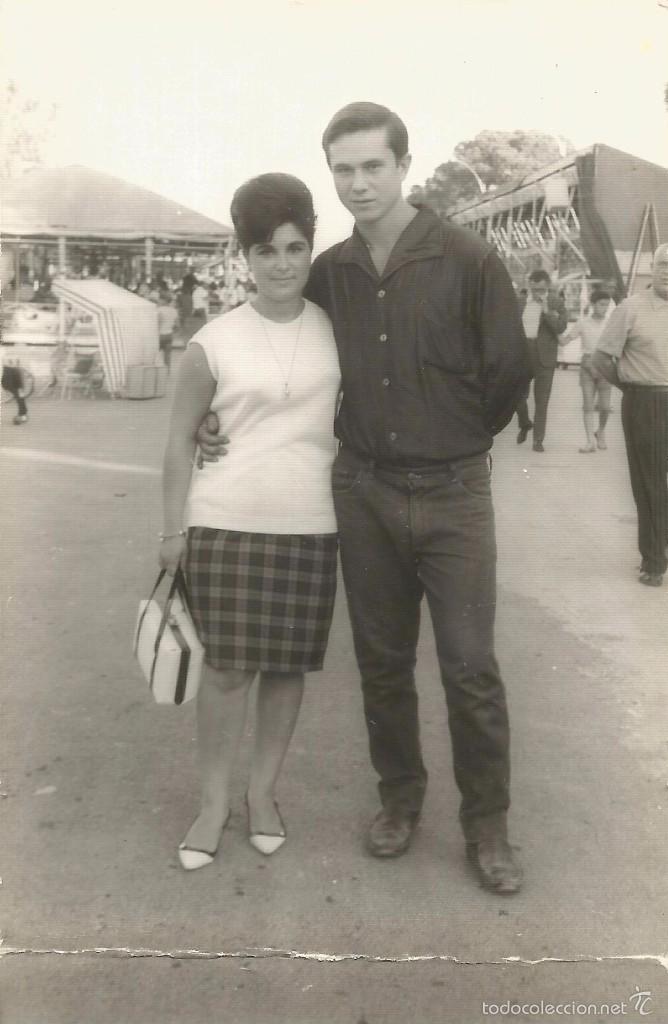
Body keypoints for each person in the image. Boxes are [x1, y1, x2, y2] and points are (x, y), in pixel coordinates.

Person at [199, 102, 528, 893]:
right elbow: (271, 335)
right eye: (342, 169)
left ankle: (487, 828)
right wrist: (211, 410)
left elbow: (511, 369)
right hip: (364, 492)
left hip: (453, 494)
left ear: (403, 165)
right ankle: (399, 803)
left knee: (470, 666)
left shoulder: (467, 257)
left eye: (371, 166)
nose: (357, 184)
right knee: (382, 664)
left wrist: (452, 437)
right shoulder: (331, 271)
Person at [160, 173, 341, 870]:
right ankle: (212, 803)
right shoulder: (215, 340)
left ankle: (263, 794)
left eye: (295, 247)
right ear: (245, 256)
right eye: (265, 251)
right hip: (227, 521)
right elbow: (179, 438)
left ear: (310, 246)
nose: (283, 264)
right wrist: (171, 532)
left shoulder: (333, 323)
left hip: (312, 524)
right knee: (229, 671)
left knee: (287, 670)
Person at [593, 243, 668, 588]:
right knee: (651, 483)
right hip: (646, 401)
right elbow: (602, 358)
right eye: (663, 264)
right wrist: (630, 389)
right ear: (651, 268)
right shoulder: (630, 309)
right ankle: (654, 560)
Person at [515, 269, 568, 451]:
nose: (538, 293)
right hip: (522, 354)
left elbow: (561, 327)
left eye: (542, 290)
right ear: (530, 285)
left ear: (548, 287)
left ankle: (538, 440)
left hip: (545, 357)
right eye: (535, 289)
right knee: (516, 396)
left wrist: (547, 311)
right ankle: (524, 423)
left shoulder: (556, 302)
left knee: (542, 400)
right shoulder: (520, 301)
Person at [559, 289, 613, 452]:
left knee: (605, 407)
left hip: (606, 365)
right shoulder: (583, 323)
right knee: (588, 405)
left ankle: (600, 431)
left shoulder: (611, 323)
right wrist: (552, 326)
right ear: (593, 304)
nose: (604, 308)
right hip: (587, 365)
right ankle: (590, 440)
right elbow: (564, 341)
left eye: (606, 305)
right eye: (601, 304)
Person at [1, 352, 30, 424]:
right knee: (19, 396)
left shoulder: (13, 370)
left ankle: (23, 414)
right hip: (10, 378)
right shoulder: (12, 369)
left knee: (19, 396)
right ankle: (23, 414)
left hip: (10, 380)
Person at [157, 294, 179, 370]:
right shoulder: (174, 310)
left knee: (156, 355)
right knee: (167, 356)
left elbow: (158, 323)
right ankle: (167, 372)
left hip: (160, 335)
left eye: (160, 299)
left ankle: (158, 372)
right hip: (169, 335)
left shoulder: (159, 310)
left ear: (163, 300)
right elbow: (177, 325)